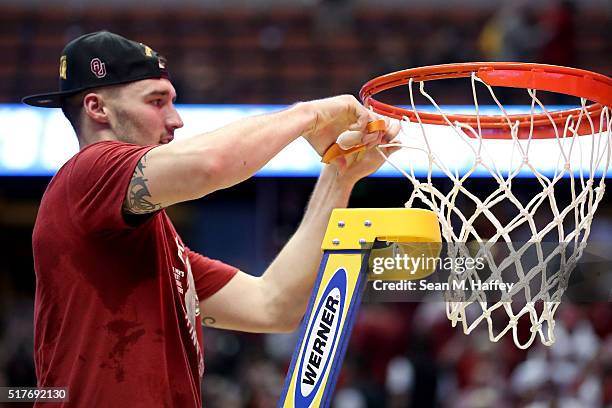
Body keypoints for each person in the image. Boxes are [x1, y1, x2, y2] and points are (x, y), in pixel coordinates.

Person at [22, 31, 399, 407]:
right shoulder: (87, 173)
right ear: (97, 108)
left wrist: (341, 173)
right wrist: (309, 115)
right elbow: (209, 166)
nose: (176, 119)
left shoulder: (153, 241)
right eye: (157, 102)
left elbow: (274, 305)